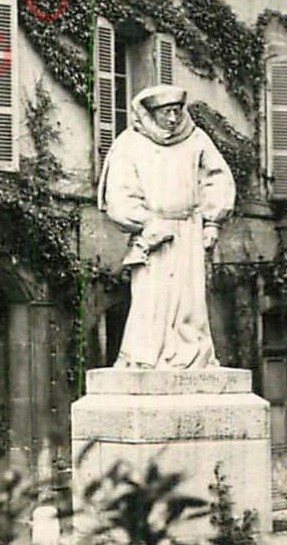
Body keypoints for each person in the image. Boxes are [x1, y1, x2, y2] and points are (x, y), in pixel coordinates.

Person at [97, 84, 235, 369]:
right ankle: (143, 357)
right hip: (153, 234)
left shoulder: (197, 140)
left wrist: (211, 223)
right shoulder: (129, 144)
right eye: (165, 112)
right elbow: (119, 193)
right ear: (150, 113)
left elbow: (217, 178)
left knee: (190, 303)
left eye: (176, 111)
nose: (172, 119)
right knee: (151, 300)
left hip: (189, 229)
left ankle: (193, 357)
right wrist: (147, 223)